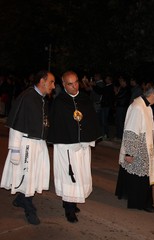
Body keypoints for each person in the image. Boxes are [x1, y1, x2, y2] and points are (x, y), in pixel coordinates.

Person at [0, 70, 55, 225]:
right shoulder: (27, 97)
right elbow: (16, 125)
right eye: (51, 81)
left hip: (38, 144)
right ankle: (29, 208)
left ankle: (20, 198)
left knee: (34, 176)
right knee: (27, 177)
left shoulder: (42, 99)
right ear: (43, 81)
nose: (53, 85)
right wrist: (15, 150)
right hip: (26, 145)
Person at [48, 71, 101, 223]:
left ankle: (72, 201)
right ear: (64, 85)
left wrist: (88, 138)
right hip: (66, 148)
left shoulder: (85, 99)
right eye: (70, 84)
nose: (75, 86)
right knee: (69, 176)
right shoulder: (59, 102)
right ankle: (69, 208)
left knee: (80, 174)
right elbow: (56, 126)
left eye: (76, 82)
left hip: (82, 147)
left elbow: (91, 121)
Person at [115, 81, 154, 213]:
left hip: (143, 146)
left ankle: (128, 195)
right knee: (141, 176)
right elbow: (131, 130)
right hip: (138, 148)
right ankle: (143, 203)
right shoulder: (138, 107)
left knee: (134, 174)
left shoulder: (145, 105)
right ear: (152, 94)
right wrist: (129, 153)